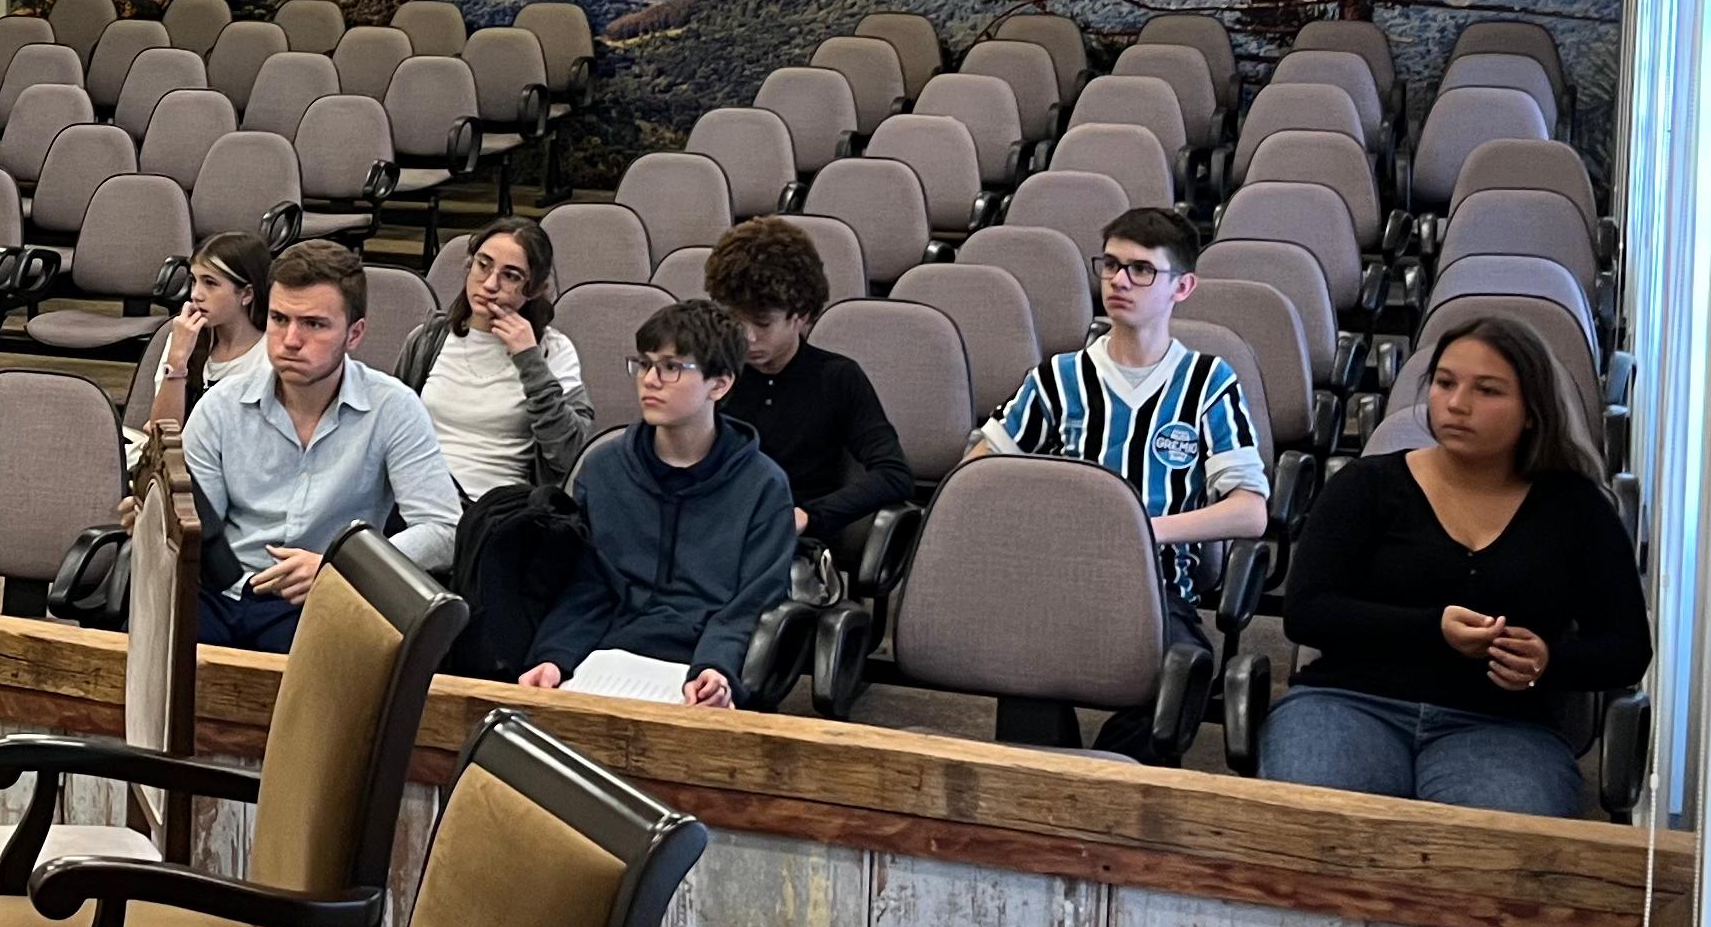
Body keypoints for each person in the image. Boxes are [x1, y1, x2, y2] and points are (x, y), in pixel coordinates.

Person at [1260, 318, 1647, 815]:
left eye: (1487, 391)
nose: (1457, 404)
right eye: (1445, 383)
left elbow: (1627, 648)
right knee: (1319, 826)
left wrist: (1549, 660)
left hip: (1503, 725)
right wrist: (1431, 629)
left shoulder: (1577, 508)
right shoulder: (1367, 485)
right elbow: (1306, 612)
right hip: (1348, 701)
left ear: (1533, 411)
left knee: (1498, 845)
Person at [963, 203, 1268, 746]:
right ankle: (1045, 779)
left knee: (1185, 671)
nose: (1120, 280)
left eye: (1142, 269)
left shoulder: (1208, 381)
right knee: (1021, 668)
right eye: (1111, 265)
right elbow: (976, 475)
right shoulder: (1060, 376)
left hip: (1158, 592)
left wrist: (1144, 530)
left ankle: (1116, 777)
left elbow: (1250, 512)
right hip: (1059, 582)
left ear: (1182, 287)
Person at [180, 239, 463, 652]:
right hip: (225, 591)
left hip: (327, 597)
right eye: (279, 319)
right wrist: (159, 524)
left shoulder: (393, 407)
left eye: (314, 324)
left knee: (322, 648)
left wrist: (342, 565)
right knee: (154, 637)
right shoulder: (221, 405)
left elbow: (444, 529)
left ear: (354, 334)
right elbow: (200, 524)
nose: (290, 340)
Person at [516, 298, 794, 704]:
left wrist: (716, 669)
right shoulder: (605, 469)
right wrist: (554, 657)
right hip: (606, 658)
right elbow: (587, 585)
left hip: (700, 663)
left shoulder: (763, 485)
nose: (650, 379)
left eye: (671, 367)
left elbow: (753, 603)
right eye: (644, 364)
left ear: (719, 384)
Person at [384, 217, 593, 675]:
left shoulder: (553, 351)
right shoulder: (430, 339)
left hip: (495, 514)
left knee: (376, 568)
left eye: (511, 275)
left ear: (535, 289)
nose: (491, 284)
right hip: (416, 498)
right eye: (483, 265)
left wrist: (528, 360)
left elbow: (568, 453)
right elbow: (392, 424)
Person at [704, 218, 913, 553]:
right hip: (712, 531)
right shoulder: (712, 372)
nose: (748, 338)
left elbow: (893, 475)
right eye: (735, 321)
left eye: (763, 323)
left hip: (791, 541)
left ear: (800, 314)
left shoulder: (837, 378)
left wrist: (808, 516)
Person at [139, 231, 272, 442]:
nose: (196, 294)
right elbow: (161, 434)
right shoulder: (184, 339)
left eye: (210, 283)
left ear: (246, 294)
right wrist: (178, 359)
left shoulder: (272, 354)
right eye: (194, 281)